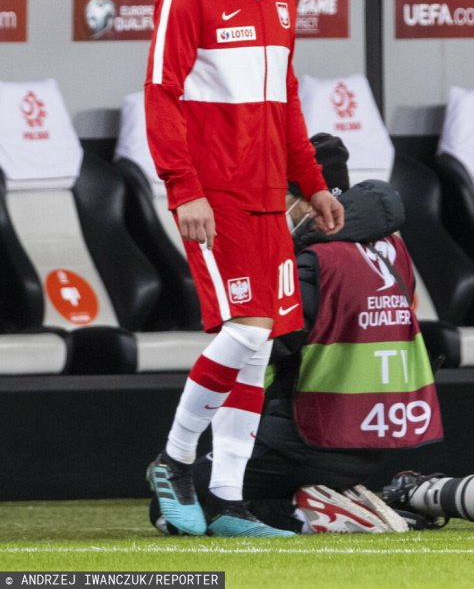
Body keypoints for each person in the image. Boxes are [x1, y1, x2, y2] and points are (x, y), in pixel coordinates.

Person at [143, 0, 345, 538]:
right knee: (247, 328)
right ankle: (173, 461)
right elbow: (161, 95)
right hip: (212, 195)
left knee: (259, 349)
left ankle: (227, 500)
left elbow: (285, 98)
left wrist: (311, 182)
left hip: (268, 198)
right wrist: (183, 187)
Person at [150, 134, 441, 536]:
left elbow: (264, 355)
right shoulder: (393, 250)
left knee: (174, 507)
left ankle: (314, 516)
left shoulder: (310, 261)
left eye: (281, 199)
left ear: (304, 200)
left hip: (312, 436)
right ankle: (330, 497)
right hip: (379, 435)